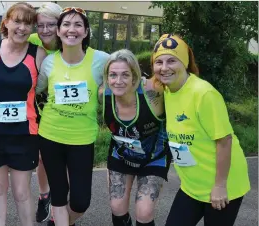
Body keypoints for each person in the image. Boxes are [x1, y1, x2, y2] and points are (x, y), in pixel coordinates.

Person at [150, 34, 251, 226]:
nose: (164, 68)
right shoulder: (167, 90)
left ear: (185, 62)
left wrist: (220, 186)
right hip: (192, 186)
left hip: (223, 186)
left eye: (172, 60)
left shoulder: (204, 93)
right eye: (159, 62)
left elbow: (224, 141)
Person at [35, 7, 110, 226]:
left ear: (86, 32)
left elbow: (125, 73)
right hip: (50, 135)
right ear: (58, 31)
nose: (72, 29)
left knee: (80, 201)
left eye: (78, 25)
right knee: (58, 195)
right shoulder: (49, 62)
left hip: (82, 138)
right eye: (66, 24)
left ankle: (60, 222)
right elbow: (36, 89)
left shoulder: (101, 60)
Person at [0, 2, 47, 226]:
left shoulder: (38, 55)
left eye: (28, 23)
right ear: (5, 22)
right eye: (17, 21)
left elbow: (44, 90)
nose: (22, 28)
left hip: (24, 135)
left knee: (21, 192)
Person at [98, 49, 170, 226]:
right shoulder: (103, 95)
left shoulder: (154, 93)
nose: (119, 81)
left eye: (125, 75)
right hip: (121, 155)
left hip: (153, 157)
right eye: (113, 75)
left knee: (144, 211)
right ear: (107, 77)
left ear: (135, 76)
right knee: (117, 207)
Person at [27, 3, 62, 223]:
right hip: (36, 104)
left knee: (64, 157)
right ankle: (44, 195)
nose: (46, 30)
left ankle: (60, 202)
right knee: (41, 156)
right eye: (41, 25)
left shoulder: (68, 43)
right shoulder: (31, 43)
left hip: (63, 106)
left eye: (51, 24)